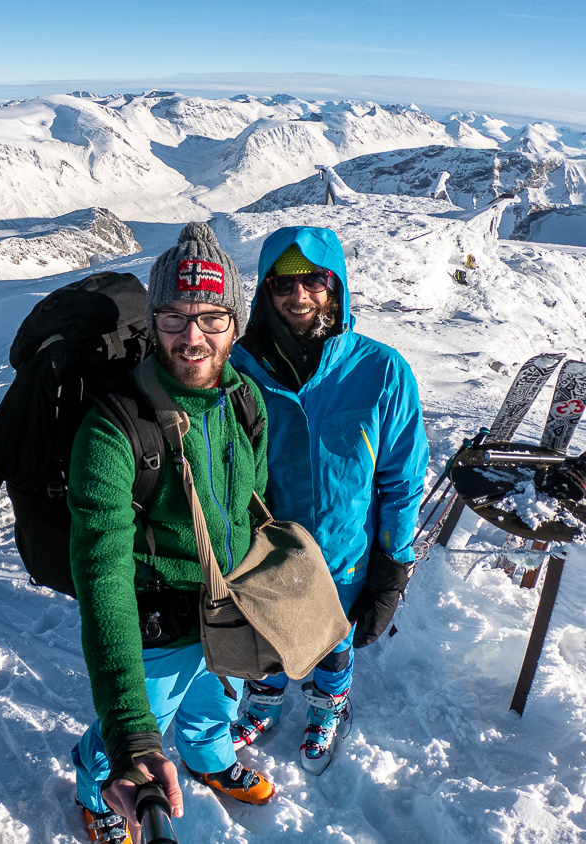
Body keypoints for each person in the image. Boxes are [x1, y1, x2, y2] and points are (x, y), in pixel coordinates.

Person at [69, 223, 277, 844]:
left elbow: (250, 511)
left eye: (212, 318)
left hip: (228, 612)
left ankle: (210, 758)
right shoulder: (113, 430)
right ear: (152, 323)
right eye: (175, 317)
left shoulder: (246, 404)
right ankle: (97, 790)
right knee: (129, 738)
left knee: (216, 709)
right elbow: (102, 577)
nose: (194, 337)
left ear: (235, 324)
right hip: (155, 627)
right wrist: (132, 733)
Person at [228, 226, 429, 773]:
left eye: (314, 280)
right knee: (265, 631)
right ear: (265, 293)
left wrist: (395, 563)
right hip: (265, 549)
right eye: (283, 284)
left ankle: (329, 700)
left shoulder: (381, 370)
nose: (299, 296)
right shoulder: (238, 370)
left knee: (335, 636)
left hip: (347, 553)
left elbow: (402, 478)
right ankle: (265, 694)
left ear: (337, 285)